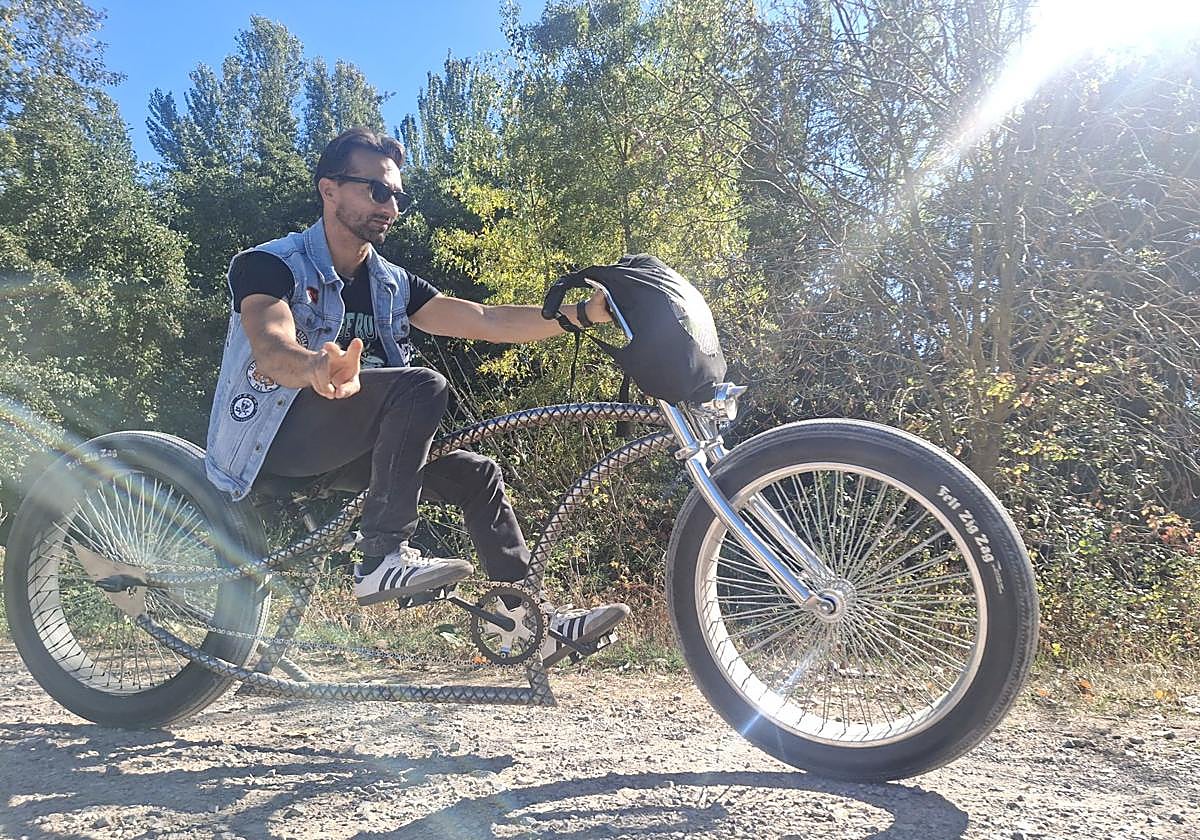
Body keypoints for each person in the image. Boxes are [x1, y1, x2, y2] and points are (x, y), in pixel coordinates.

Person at [204, 127, 628, 663]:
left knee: (479, 475)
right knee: (421, 384)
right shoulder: (269, 264)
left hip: (357, 449)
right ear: (329, 189)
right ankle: (380, 558)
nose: (390, 206)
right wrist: (316, 366)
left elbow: (487, 320)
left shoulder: (390, 282)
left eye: (397, 195)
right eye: (376, 191)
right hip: (275, 440)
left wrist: (586, 314)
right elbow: (270, 346)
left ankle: (529, 625)